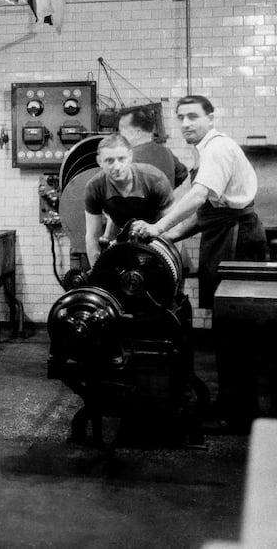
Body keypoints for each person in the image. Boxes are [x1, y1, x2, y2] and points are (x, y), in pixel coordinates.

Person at [130, 95, 267, 432]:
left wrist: (157, 227)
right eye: (180, 118)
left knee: (235, 329)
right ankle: (233, 405)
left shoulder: (216, 148)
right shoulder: (205, 150)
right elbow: (205, 214)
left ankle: (239, 415)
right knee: (227, 328)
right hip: (223, 232)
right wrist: (165, 239)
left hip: (235, 238)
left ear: (210, 118)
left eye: (193, 116)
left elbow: (198, 198)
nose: (186, 124)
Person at [84, 133, 174, 267]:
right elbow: (92, 236)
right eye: (109, 160)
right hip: (122, 240)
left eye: (122, 159)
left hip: (159, 238)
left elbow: (172, 225)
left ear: (130, 156)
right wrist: (97, 272)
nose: (117, 166)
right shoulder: (94, 187)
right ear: (99, 161)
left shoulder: (154, 178)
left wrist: (171, 265)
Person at [117, 105, 189, 188]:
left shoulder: (129, 158)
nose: (119, 135)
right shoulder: (167, 152)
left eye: (121, 131)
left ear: (135, 133)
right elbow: (182, 174)